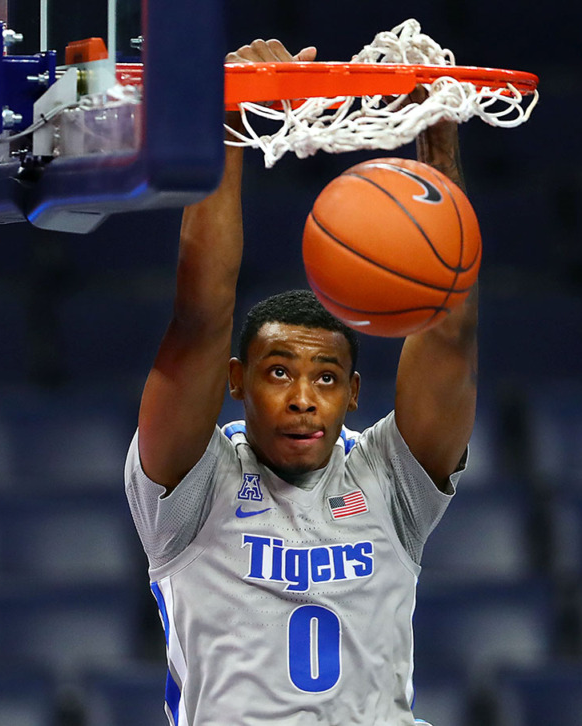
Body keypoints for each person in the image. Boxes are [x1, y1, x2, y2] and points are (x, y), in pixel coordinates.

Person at [124, 38, 479, 726]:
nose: (300, 397)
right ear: (236, 381)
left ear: (352, 394)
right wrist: (229, 123)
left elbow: (451, 335)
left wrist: (437, 155)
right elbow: (199, 318)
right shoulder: (191, 489)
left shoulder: (387, 484)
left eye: (325, 377)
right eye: (278, 372)